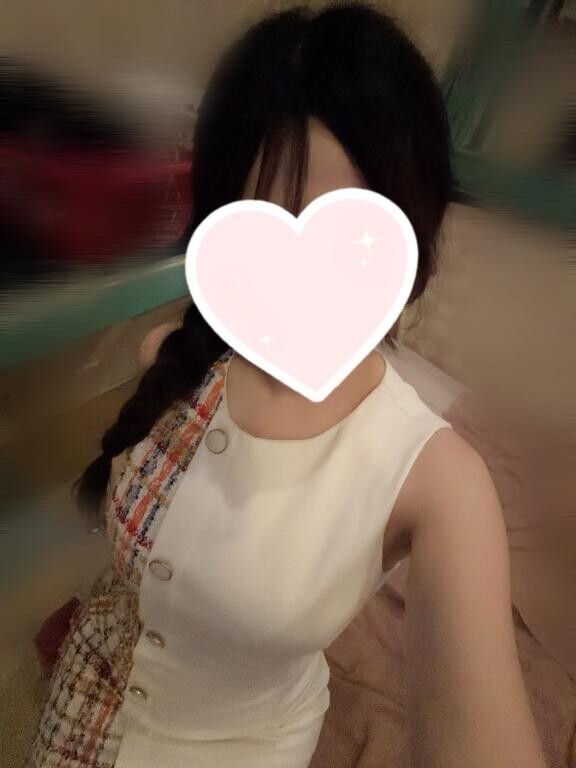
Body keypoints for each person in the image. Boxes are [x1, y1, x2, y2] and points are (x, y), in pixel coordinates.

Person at [30, 4, 547, 768]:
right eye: (267, 228)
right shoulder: (170, 360)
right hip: (82, 699)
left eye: (349, 235)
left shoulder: (440, 482)